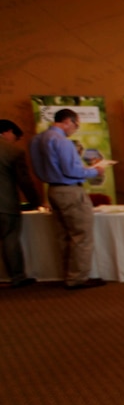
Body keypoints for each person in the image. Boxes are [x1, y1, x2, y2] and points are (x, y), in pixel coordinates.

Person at [28, 109, 110, 289]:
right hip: (70, 191)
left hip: (52, 190)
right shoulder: (62, 142)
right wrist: (95, 171)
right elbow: (71, 171)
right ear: (68, 121)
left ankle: (68, 274)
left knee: (64, 235)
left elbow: (37, 169)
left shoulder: (36, 140)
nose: (75, 128)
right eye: (76, 124)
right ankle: (78, 278)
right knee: (81, 235)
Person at [0, 119, 41, 287]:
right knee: (10, 239)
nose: (15, 141)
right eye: (16, 137)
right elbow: (24, 181)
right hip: (5, 204)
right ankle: (17, 277)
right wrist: (35, 201)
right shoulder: (13, 151)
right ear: (7, 132)